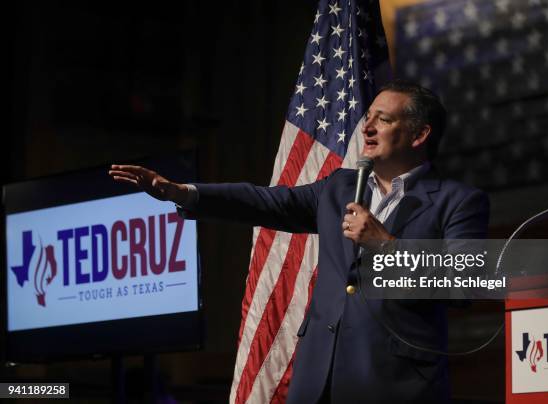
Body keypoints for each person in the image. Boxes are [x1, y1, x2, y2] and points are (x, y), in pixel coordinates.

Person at [109, 80, 489, 403]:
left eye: (383, 120)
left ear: (420, 134)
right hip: (317, 379)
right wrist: (183, 192)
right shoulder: (340, 187)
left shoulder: (458, 200)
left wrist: (385, 245)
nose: (367, 128)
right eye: (368, 117)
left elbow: (462, 285)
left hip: (395, 383)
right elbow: (267, 201)